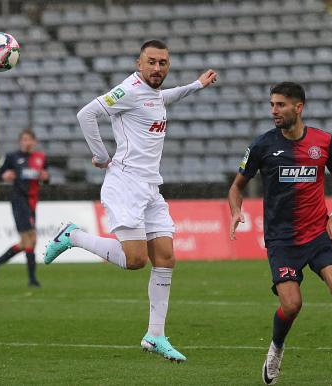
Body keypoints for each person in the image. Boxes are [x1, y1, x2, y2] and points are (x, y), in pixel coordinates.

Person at [43, 39, 217, 362]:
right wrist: (100, 155)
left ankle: (155, 335)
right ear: (139, 64)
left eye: (162, 62)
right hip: (124, 184)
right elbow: (87, 114)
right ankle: (73, 236)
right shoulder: (129, 90)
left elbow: (164, 97)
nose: (157, 68)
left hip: (150, 187)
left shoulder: (151, 93)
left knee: (165, 257)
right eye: (150, 62)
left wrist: (196, 85)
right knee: (136, 260)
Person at [228, 82, 332, 386]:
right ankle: (276, 349)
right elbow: (236, 187)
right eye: (272, 104)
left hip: (317, 234)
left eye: (280, 105)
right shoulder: (262, 146)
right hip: (282, 240)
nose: (274, 111)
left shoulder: (323, 142)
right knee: (292, 305)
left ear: (298, 108)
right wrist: (235, 210)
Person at [0, 129, 49, 288]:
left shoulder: (40, 158)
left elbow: (45, 178)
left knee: (27, 242)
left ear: (34, 142)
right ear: (20, 142)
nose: (26, 143)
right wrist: (3, 176)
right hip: (19, 200)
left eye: (29, 140)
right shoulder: (11, 157)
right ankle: (32, 280)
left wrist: (46, 178)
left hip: (33, 202)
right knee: (30, 239)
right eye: (24, 140)